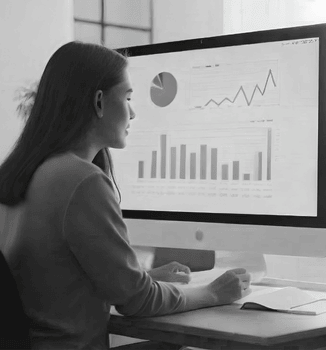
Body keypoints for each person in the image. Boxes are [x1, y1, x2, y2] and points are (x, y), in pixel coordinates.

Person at [0, 41, 250, 350]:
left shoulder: (27, 171)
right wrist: (214, 292)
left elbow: (56, 277)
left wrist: (140, 276)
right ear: (99, 102)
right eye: (128, 97)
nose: (132, 113)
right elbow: (138, 303)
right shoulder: (81, 180)